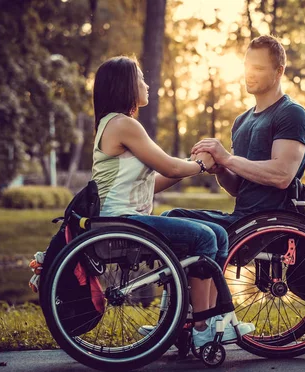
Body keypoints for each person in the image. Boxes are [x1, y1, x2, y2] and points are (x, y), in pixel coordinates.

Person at [91, 56, 253, 347]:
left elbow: (155, 181)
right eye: (140, 78)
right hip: (123, 221)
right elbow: (171, 167)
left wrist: (191, 165)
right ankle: (202, 326)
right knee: (204, 236)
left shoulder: (114, 124)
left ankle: (205, 320)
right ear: (125, 85)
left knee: (217, 233)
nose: (146, 84)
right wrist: (200, 164)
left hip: (124, 217)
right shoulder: (123, 124)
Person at [165, 35, 305, 229]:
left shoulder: (292, 113)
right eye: (247, 67)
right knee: (170, 218)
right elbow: (237, 188)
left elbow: (282, 176)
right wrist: (221, 170)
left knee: (174, 226)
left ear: (279, 72)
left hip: (271, 224)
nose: (249, 74)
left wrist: (226, 158)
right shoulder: (241, 121)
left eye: (258, 68)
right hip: (242, 220)